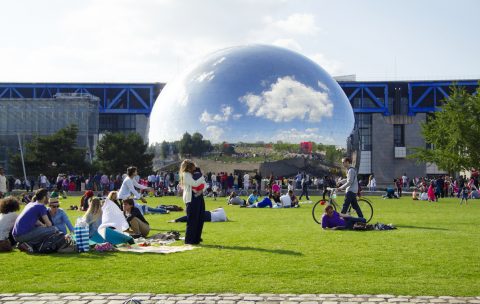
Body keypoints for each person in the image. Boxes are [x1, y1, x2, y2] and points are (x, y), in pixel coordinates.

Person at [179, 159, 207, 245]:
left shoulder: (195, 174)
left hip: (199, 197)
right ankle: (189, 240)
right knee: (192, 220)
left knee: (200, 219)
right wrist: (202, 177)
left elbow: (205, 184)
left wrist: (202, 189)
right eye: (193, 166)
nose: (195, 167)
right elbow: (194, 183)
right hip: (191, 199)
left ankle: (196, 239)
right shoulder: (185, 174)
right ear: (189, 167)